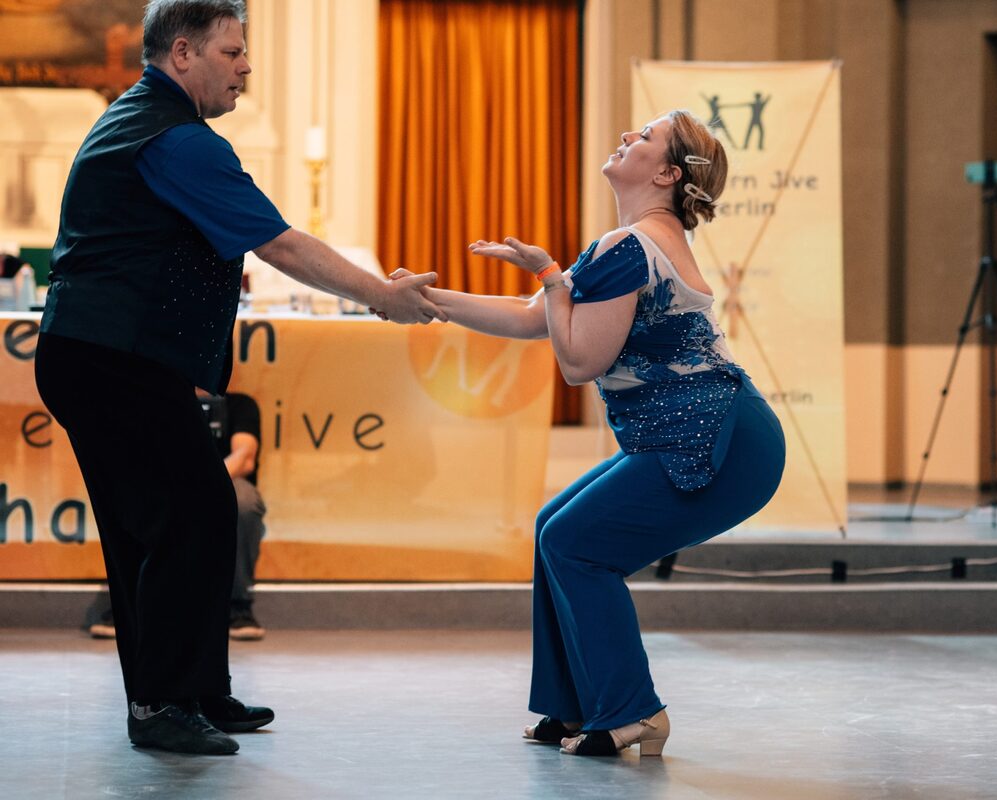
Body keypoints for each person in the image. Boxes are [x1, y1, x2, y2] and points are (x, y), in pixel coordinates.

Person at [35, 0, 444, 756]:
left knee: (189, 516)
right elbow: (279, 245)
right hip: (112, 358)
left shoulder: (144, 119)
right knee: (183, 517)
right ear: (182, 53)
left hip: (107, 356)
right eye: (232, 52)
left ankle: (192, 690)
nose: (246, 66)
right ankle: (162, 703)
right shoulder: (176, 140)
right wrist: (382, 295)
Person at [415, 110, 786, 757]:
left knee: (575, 543)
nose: (627, 137)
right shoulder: (633, 242)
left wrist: (552, 278)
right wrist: (425, 302)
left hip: (717, 443)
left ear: (667, 174)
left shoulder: (631, 245)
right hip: (704, 434)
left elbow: (579, 361)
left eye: (645, 137)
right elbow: (533, 318)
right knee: (554, 527)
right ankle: (574, 709)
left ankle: (632, 712)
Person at [88, 390, 269, 641]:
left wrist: (200, 482)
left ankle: (237, 608)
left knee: (245, 503)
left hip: (224, 480)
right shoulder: (159, 399)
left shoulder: (240, 404)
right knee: (137, 495)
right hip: (168, 481)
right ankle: (130, 607)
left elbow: (245, 458)